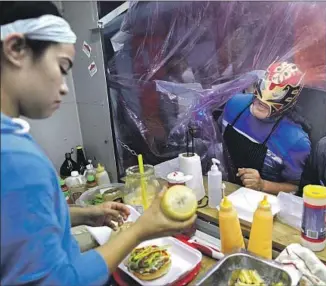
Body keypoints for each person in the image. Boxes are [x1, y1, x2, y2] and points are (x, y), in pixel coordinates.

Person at [0, 2, 195, 285]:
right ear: (16, 50)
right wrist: (138, 231)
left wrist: (85, 214)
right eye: (62, 66)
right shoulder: (17, 159)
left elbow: (18, 221)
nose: (65, 86)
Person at [222, 61, 311, 195]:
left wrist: (263, 185)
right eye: (265, 87)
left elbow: (297, 188)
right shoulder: (234, 104)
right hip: (222, 187)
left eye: (276, 94)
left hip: (263, 204)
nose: (263, 101)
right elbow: (216, 142)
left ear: (290, 101)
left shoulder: (296, 141)